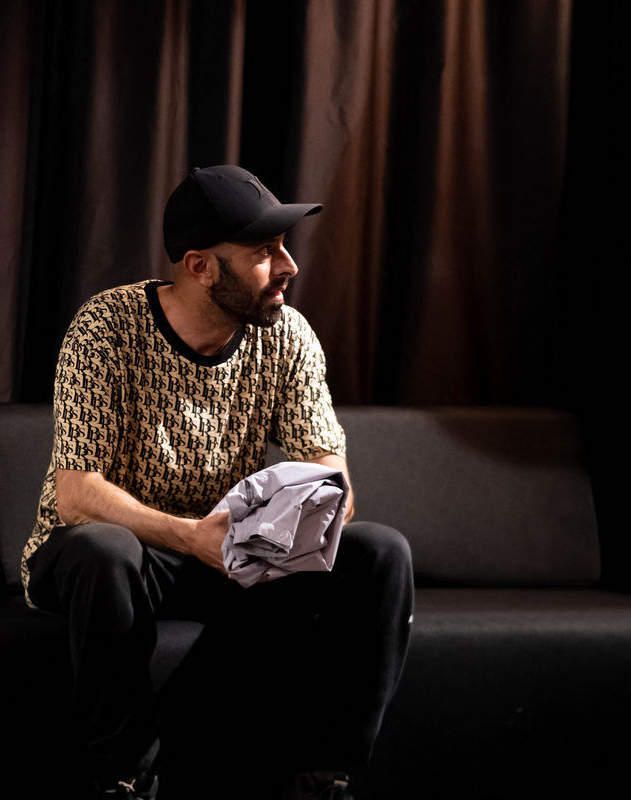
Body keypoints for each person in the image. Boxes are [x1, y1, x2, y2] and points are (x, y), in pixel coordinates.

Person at [23, 165, 414, 800]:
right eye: (265, 252)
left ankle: (323, 777)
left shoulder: (285, 335)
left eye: (284, 247)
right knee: (103, 549)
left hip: (232, 556)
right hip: (126, 555)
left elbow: (330, 470)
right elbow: (77, 494)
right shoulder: (107, 328)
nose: (288, 266)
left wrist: (280, 525)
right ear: (201, 267)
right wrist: (191, 537)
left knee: (381, 552)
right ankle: (124, 779)